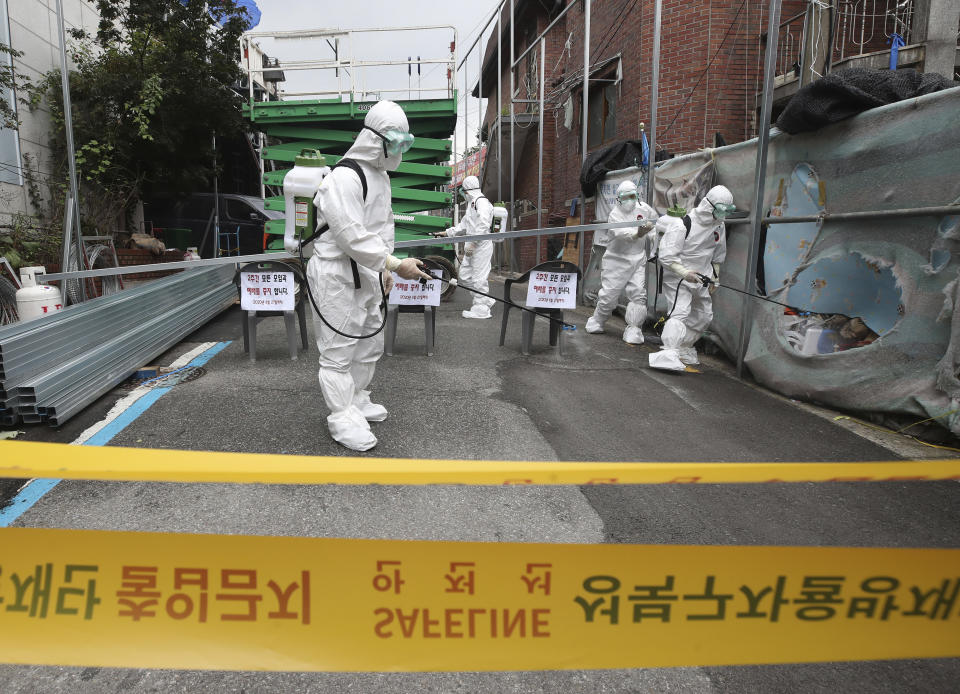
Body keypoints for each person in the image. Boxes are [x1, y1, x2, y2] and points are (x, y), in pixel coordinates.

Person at [305, 100, 430, 451]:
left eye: (406, 143)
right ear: (374, 138)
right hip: (336, 275)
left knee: (369, 343)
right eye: (394, 142)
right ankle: (341, 415)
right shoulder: (344, 177)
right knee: (338, 348)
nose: (398, 150)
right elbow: (351, 235)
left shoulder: (380, 176)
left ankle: (357, 397)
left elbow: (382, 227)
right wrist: (393, 264)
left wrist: (383, 270)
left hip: (368, 271)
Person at [648, 185, 735, 371]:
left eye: (726, 211)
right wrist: (685, 273)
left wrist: (715, 277)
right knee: (680, 311)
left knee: (704, 316)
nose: (723, 214)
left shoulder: (719, 225)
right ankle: (668, 352)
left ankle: (683, 347)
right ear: (709, 206)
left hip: (702, 278)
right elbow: (666, 256)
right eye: (720, 210)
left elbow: (717, 255)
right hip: (679, 277)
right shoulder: (682, 225)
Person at [585, 180, 657, 343]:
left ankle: (634, 328)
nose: (630, 200)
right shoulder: (614, 214)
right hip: (616, 260)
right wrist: (638, 234)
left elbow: (654, 226)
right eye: (626, 197)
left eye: (633, 196)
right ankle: (598, 320)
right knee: (609, 296)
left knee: (639, 294)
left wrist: (653, 240)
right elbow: (621, 233)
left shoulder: (644, 209)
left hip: (637, 258)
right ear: (618, 198)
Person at [434, 175, 495, 319]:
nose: (463, 193)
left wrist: (474, 243)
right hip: (471, 246)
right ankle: (485, 300)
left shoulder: (482, 203)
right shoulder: (472, 204)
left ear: (468, 190)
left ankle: (481, 309)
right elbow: (464, 225)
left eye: (464, 191)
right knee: (465, 276)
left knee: (479, 278)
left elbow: (483, 225)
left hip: (480, 246)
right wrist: (446, 233)